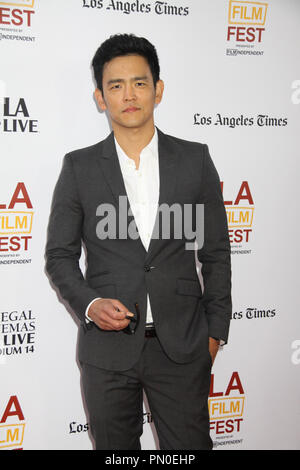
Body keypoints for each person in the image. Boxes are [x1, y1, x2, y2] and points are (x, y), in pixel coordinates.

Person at [45, 33, 231, 450]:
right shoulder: (79, 167)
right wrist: (90, 304)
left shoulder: (195, 159)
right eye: (115, 85)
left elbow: (216, 251)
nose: (128, 95)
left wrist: (215, 332)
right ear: (100, 97)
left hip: (182, 349)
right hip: (107, 353)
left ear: (158, 90)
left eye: (139, 82)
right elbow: (59, 256)